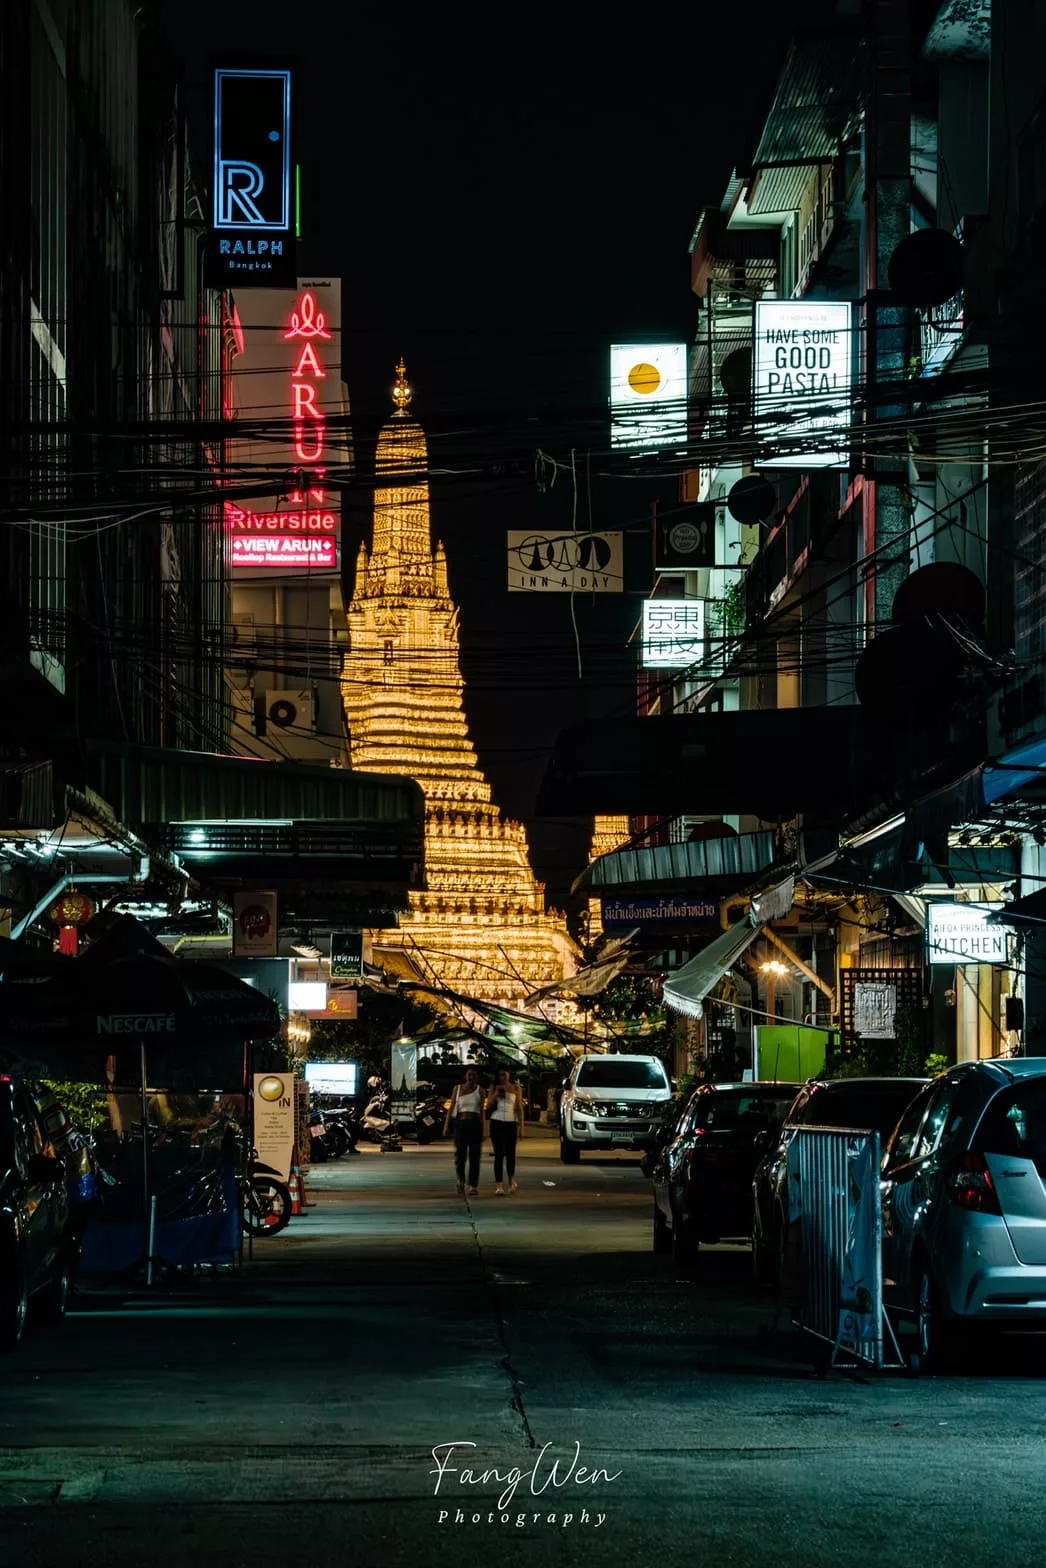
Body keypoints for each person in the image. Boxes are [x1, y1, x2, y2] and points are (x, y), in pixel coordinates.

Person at [443, 1066, 485, 1195]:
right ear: (465, 1076)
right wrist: (446, 1125)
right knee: (460, 1155)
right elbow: (451, 1108)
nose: (471, 1077)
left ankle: (473, 1185)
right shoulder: (458, 1089)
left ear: (476, 1077)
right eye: (469, 1075)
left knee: (474, 1155)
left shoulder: (480, 1091)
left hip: (474, 1124)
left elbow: (482, 1111)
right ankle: (460, 1179)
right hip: (460, 1123)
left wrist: (483, 1129)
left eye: (473, 1075)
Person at [485, 1068, 524, 1195]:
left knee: (510, 1153)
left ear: (509, 1074)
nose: (503, 1076)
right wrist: (496, 1093)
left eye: (505, 1073)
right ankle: (499, 1184)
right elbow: (488, 1105)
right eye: (500, 1074)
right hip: (496, 1121)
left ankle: (511, 1180)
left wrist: (521, 1127)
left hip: (510, 1122)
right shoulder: (494, 1087)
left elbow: (519, 1108)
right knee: (499, 1154)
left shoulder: (516, 1088)